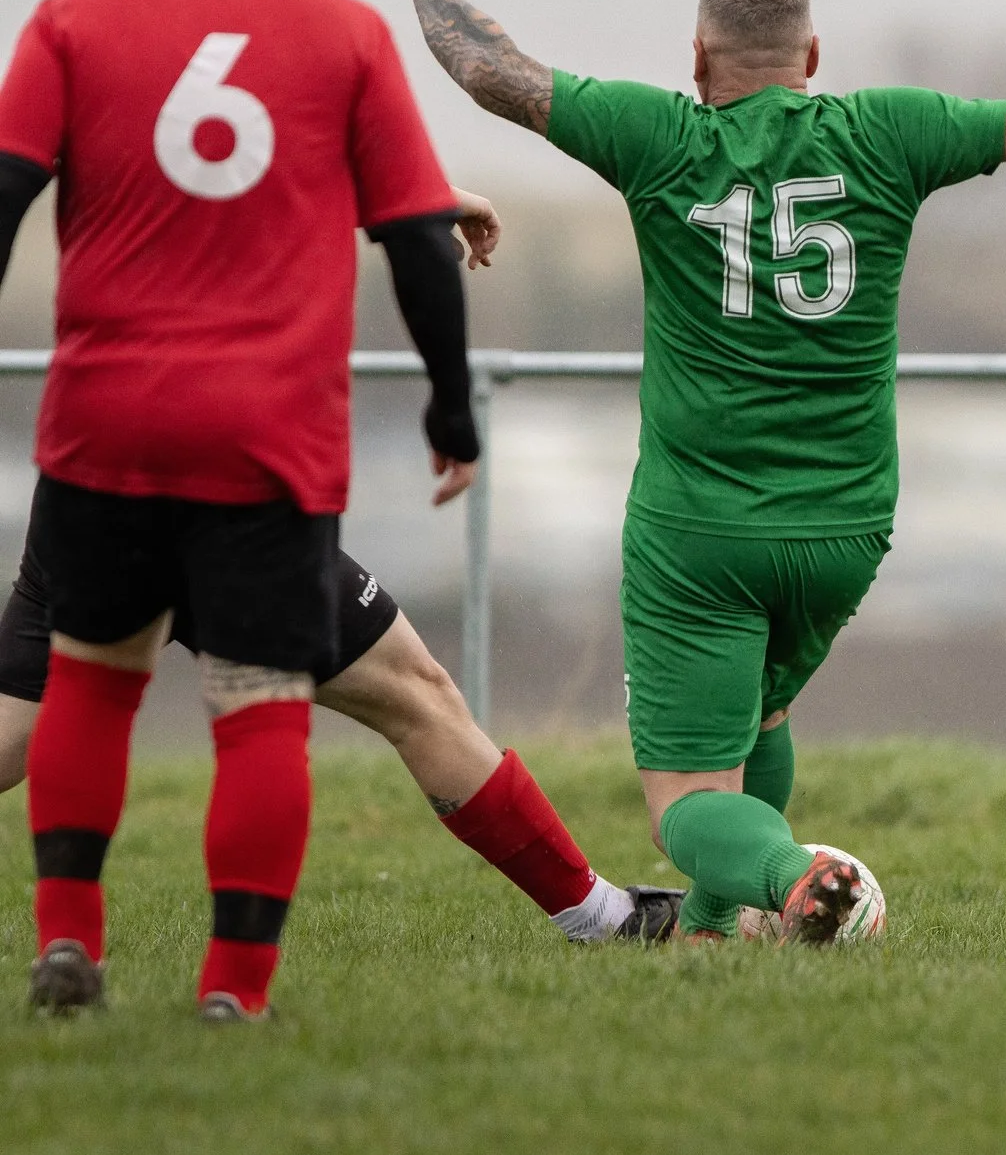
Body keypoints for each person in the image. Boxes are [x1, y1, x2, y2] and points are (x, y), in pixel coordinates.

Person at [378, 0, 1006, 943]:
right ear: (813, 57)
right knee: (762, 717)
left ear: (697, 60)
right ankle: (713, 928)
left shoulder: (655, 133)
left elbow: (492, 73)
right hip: (845, 528)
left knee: (684, 801)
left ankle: (796, 874)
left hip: (699, 532)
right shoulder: (886, 133)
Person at [0, 0, 475, 1019]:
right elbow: (419, 238)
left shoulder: (70, 18)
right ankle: (234, 989)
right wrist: (452, 409)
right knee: (260, 708)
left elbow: (2, 196)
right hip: (269, 439)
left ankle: (70, 942)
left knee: (93, 681)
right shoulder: (346, 35)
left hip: (105, 421)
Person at [0, 193, 682, 948]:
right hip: (235, 489)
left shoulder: (96, 95)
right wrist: (452, 403)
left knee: (18, 734)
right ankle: (600, 919)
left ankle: (82, 953)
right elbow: (302, 171)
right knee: (401, 699)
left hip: (99, 470)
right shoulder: (272, 94)